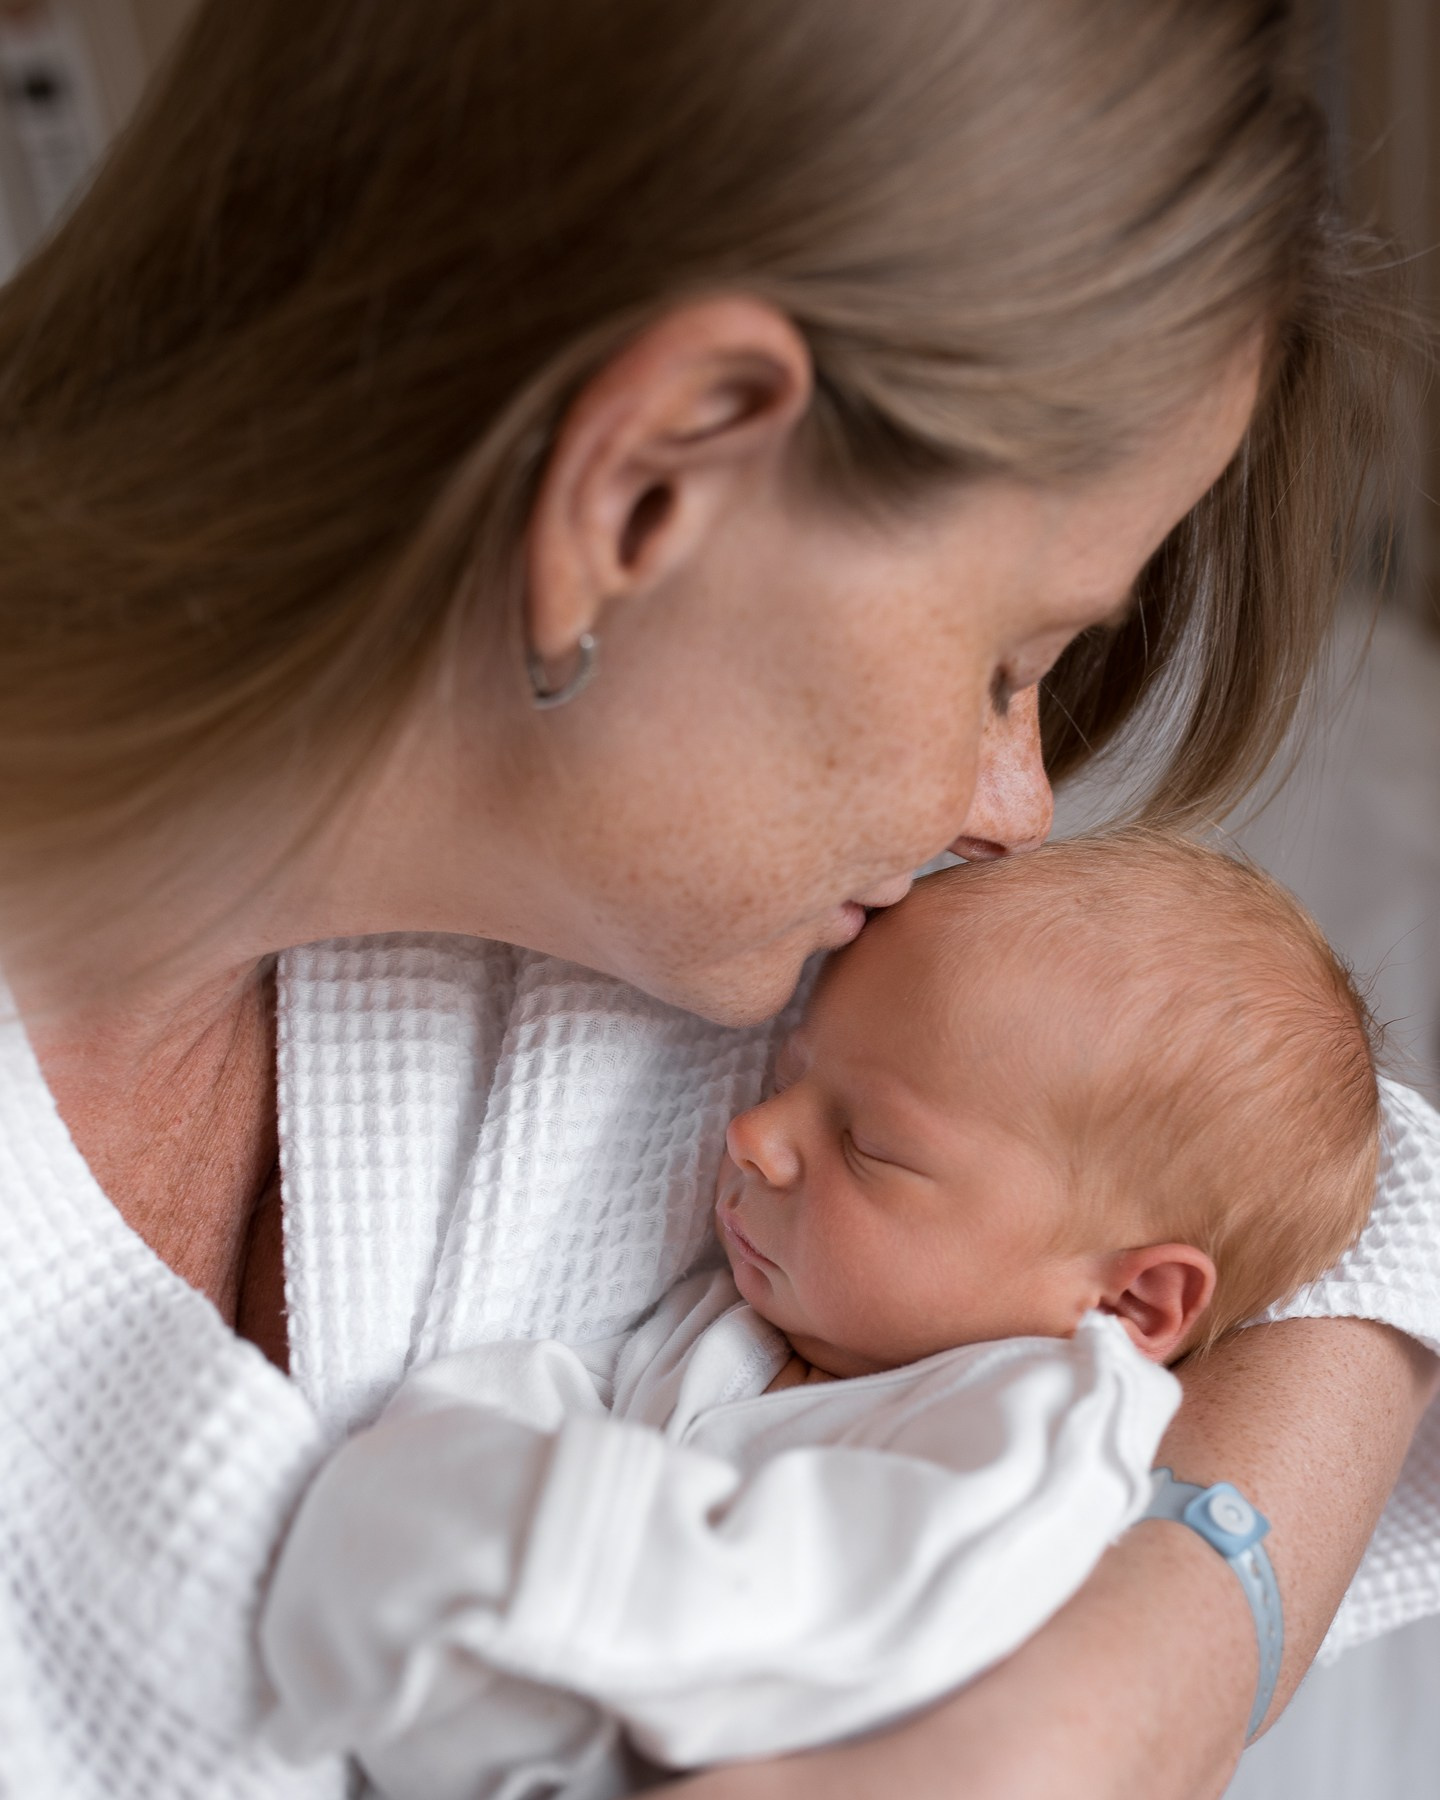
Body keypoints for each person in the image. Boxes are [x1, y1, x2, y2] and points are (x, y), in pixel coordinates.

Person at [0, 3, 1436, 1797]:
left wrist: (1155, 1662)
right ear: (647, 481)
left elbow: (1352, 1182)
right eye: (1012, 662)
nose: (1022, 804)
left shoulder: (690, 972)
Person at [257, 832, 1387, 1800]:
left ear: (1132, 1298)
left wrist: (525, 1538)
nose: (756, 1134)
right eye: (787, 1073)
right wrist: (446, 1459)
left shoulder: (1038, 1433)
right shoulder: (753, 1324)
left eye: (866, 1145)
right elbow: (529, 1401)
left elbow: (843, 1610)